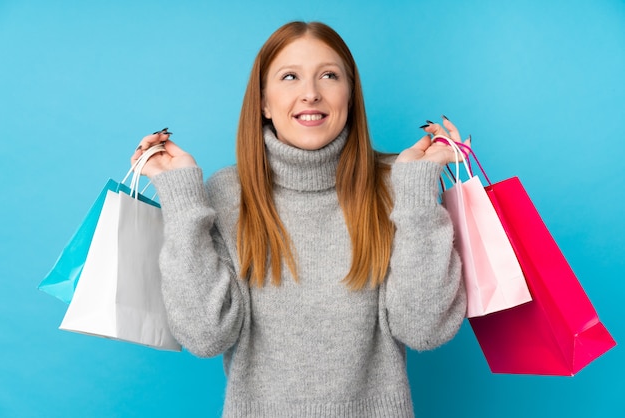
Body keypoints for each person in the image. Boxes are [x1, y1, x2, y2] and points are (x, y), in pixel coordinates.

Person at [133, 21, 468, 418]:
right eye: (289, 77)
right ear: (263, 102)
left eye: (329, 75)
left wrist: (416, 195)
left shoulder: (398, 185)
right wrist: (183, 200)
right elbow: (206, 336)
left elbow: (424, 330)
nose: (311, 93)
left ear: (350, 94)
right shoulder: (228, 194)